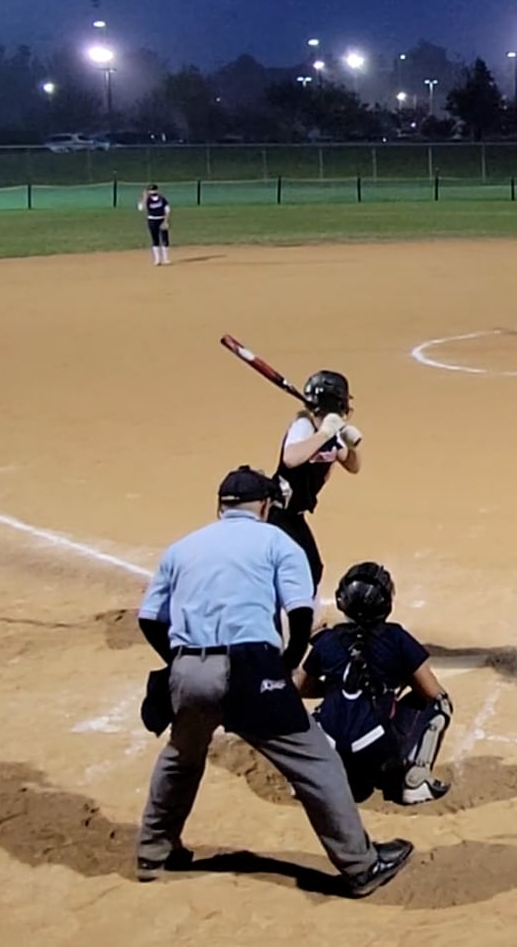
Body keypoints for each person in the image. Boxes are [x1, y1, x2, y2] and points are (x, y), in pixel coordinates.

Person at [134, 465, 411, 897]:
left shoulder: (182, 548)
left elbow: (150, 618)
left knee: (181, 758)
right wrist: (285, 664)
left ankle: (154, 852)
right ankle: (362, 866)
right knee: (316, 764)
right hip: (250, 668)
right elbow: (300, 613)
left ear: (220, 507)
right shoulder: (277, 542)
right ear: (264, 506)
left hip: (189, 670)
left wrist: (180, 662)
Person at [296, 562, 454, 806]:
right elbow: (433, 693)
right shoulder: (397, 638)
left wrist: (339, 687)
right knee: (440, 704)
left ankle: (306, 776)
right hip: (375, 752)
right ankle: (415, 783)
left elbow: (300, 687)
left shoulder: (326, 640)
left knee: (316, 711)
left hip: (329, 754)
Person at [271, 371, 362, 589]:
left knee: (312, 568)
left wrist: (349, 444)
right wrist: (325, 433)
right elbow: (291, 458)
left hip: (294, 515)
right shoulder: (304, 426)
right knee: (300, 569)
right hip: (275, 512)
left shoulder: (329, 431)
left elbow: (353, 466)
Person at [143, 183, 172, 265]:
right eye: (151, 190)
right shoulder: (148, 200)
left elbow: (167, 210)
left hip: (161, 219)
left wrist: (166, 221)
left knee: (165, 239)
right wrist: (144, 197)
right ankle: (157, 259)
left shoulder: (162, 199)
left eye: (154, 190)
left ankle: (166, 259)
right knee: (155, 239)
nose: (152, 192)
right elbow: (141, 208)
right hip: (152, 220)